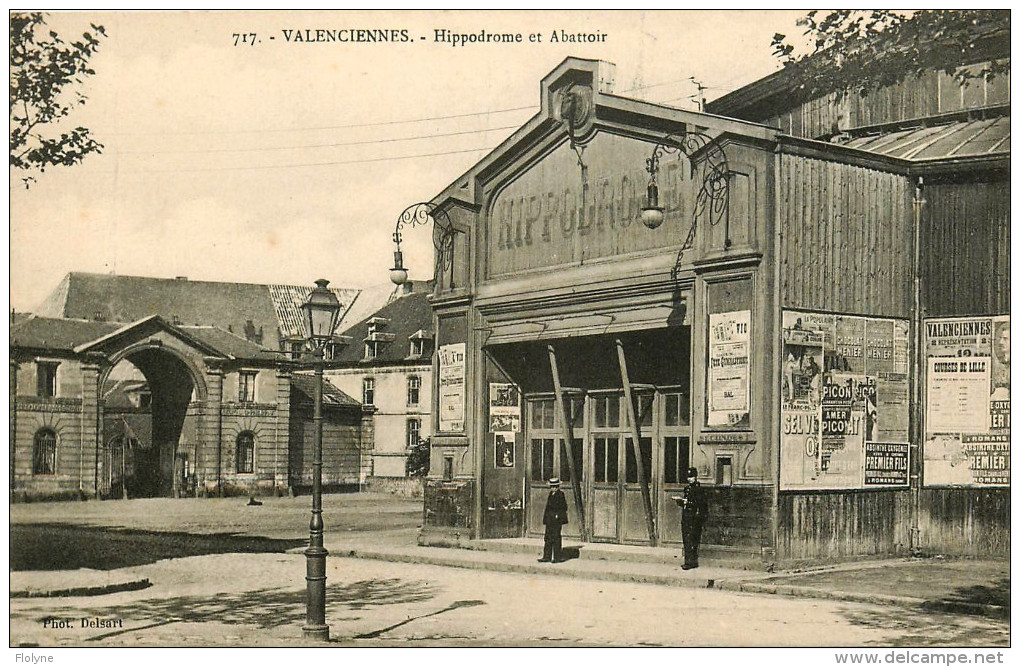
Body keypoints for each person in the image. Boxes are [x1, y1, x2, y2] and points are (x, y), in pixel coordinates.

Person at [680, 467, 708, 570]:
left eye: (691, 477)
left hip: (694, 517)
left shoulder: (698, 489)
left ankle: (692, 562)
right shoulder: (687, 489)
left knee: (692, 540)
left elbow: (700, 504)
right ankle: (687, 561)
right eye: (688, 477)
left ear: (696, 477)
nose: (689, 479)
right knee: (686, 539)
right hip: (686, 516)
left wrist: (689, 503)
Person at [539, 477, 568, 563]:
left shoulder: (561, 495)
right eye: (552, 487)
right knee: (548, 537)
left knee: (556, 537)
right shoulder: (550, 494)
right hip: (549, 520)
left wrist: (558, 515)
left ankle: (557, 557)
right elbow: (548, 508)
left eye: (555, 487)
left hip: (556, 520)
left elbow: (564, 507)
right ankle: (546, 556)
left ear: (558, 487)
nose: (553, 488)